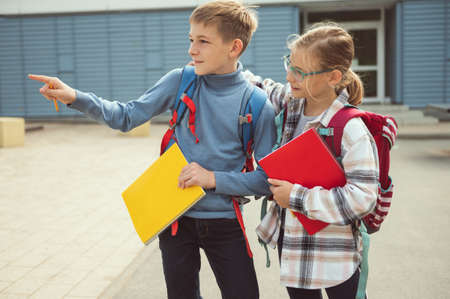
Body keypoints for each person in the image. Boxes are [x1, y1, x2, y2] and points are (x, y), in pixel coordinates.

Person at [28, 1, 276, 298]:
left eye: (203, 42)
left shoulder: (258, 104)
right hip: (174, 221)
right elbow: (126, 116)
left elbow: (267, 180)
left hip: (224, 222)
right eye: (191, 40)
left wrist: (213, 178)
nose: (191, 50)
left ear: (234, 47)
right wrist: (74, 97)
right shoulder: (180, 81)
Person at [244, 22, 378, 299]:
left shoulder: (350, 128)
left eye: (301, 72)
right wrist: (229, 65)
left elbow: (363, 197)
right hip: (293, 248)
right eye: (289, 64)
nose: (290, 76)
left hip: (335, 254)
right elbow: (261, 85)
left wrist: (296, 197)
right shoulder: (292, 102)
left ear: (333, 77)